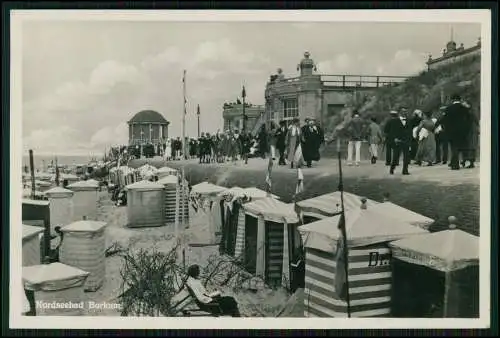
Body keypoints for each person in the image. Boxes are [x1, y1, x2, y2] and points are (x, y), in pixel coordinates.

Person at [441, 94, 475, 170]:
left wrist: (446, 130)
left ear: (452, 100)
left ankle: (455, 164)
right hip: (463, 131)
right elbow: (469, 120)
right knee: (464, 146)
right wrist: (467, 129)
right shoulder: (464, 108)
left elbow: (445, 121)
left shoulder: (448, 109)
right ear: (460, 99)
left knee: (454, 148)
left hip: (452, 132)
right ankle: (466, 161)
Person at [389, 109, 412, 175]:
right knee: (396, 156)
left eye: (405, 111)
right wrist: (395, 138)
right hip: (398, 140)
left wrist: (410, 140)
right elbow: (392, 130)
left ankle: (405, 170)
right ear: (400, 113)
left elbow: (410, 131)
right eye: (403, 111)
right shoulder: (395, 121)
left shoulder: (409, 120)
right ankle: (392, 168)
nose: (404, 112)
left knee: (406, 157)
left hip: (406, 141)